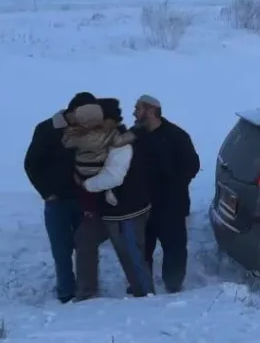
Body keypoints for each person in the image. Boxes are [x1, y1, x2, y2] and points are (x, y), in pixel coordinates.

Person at [72, 98, 156, 300]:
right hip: (105, 208)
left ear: (108, 120)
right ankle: (86, 293)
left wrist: (85, 185)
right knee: (84, 240)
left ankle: (146, 298)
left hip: (126, 211)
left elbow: (114, 177)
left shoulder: (120, 142)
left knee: (130, 255)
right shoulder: (101, 137)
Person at [24, 91, 97, 303]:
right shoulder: (46, 129)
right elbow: (32, 164)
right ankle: (66, 290)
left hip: (85, 199)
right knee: (61, 249)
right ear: (72, 111)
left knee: (86, 247)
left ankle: (87, 290)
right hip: (57, 202)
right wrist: (47, 193)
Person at [132, 94, 201, 294]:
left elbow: (192, 166)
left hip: (171, 206)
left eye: (138, 108)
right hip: (141, 206)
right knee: (141, 249)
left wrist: (171, 186)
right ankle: (142, 286)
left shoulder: (177, 136)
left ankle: (173, 285)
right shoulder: (135, 136)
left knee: (174, 249)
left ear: (151, 110)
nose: (134, 112)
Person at [60, 102, 137, 216]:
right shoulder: (106, 136)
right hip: (94, 175)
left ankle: (91, 209)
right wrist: (132, 135)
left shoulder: (75, 134)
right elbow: (118, 141)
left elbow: (113, 177)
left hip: (83, 173)